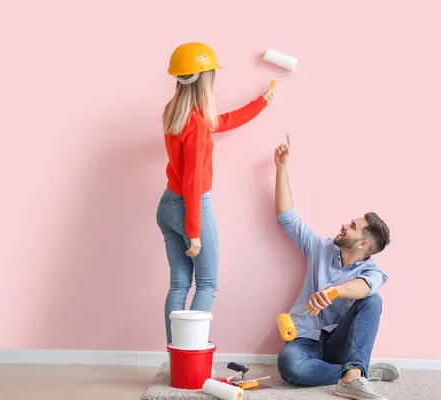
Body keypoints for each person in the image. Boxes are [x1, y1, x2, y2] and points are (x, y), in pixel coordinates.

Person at [157, 42, 273, 345]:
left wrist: (261, 102)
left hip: (167, 206)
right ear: (206, 79)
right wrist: (193, 232)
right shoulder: (195, 124)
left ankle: (176, 357)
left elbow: (221, 121)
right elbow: (193, 182)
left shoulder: (175, 112)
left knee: (179, 285)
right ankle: (191, 353)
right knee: (207, 283)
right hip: (188, 207)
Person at [273, 134, 399, 400]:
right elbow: (287, 217)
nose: (344, 225)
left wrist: (333, 292)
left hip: (339, 345)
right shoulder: (320, 247)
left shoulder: (372, 272)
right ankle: (356, 373)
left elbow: (365, 289)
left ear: (363, 244)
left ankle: (353, 370)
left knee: (373, 301)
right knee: (290, 366)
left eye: (352, 226)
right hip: (304, 339)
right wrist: (282, 167)